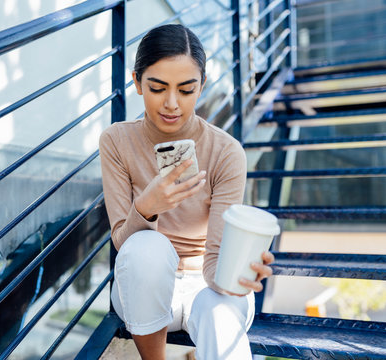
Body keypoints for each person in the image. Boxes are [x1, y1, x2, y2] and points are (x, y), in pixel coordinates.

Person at [99, 24, 274, 360]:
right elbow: (125, 243)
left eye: (186, 89)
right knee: (147, 248)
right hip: (142, 291)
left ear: (202, 87)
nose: (171, 104)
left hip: (207, 286)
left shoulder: (226, 152)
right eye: (157, 87)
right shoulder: (116, 141)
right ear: (137, 82)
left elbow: (215, 264)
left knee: (219, 310)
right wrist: (148, 207)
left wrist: (238, 271)